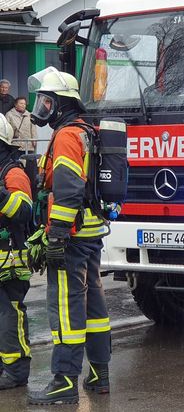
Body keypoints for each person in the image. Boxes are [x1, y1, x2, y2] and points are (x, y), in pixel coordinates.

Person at [26, 67, 111, 406]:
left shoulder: (66, 136)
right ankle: (99, 374)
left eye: (48, 101)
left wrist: (57, 236)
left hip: (71, 235)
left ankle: (63, 381)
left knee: (66, 307)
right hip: (90, 231)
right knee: (95, 305)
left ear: (63, 104)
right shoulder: (87, 131)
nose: (43, 107)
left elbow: (68, 189)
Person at [0, 114, 33, 390]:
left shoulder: (13, 173)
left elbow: (23, 212)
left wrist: (1, 196)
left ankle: (17, 370)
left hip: (10, 262)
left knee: (9, 314)